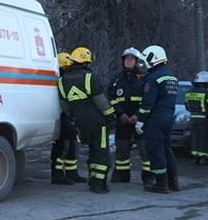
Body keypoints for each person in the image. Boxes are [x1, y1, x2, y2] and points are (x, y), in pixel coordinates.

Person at [57, 46, 116, 194]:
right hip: (97, 119)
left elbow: (64, 105)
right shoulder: (90, 76)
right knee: (101, 152)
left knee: (92, 150)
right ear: (86, 62)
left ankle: (92, 180)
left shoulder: (62, 80)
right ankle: (99, 184)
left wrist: (74, 115)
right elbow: (101, 100)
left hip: (80, 120)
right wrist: (110, 116)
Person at [136, 45, 179, 194]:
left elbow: (147, 102)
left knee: (155, 150)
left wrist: (140, 120)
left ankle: (161, 184)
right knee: (167, 150)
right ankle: (173, 182)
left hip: (155, 118)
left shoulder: (153, 78)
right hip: (168, 117)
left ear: (153, 58)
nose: (142, 64)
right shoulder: (171, 77)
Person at [106, 47, 150, 184]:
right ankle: (121, 175)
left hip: (140, 120)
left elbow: (147, 99)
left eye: (131, 58)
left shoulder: (145, 78)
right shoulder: (117, 78)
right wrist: (120, 114)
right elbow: (111, 97)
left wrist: (137, 115)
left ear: (137, 62)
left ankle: (148, 177)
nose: (128, 60)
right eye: (126, 58)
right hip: (122, 120)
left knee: (144, 149)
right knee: (121, 149)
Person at [50, 53, 84, 185]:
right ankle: (57, 174)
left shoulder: (64, 80)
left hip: (66, 115)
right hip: (61, 115)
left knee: (72, 145)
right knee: (62, 145)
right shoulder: (59, 80)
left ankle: (71, 172)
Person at [185, 71, 208, 165]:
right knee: (205, 137)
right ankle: (203, 158)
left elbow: (187, 107)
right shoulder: (207, 93)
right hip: (205, 119)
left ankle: (195, 157)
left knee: (195, 137)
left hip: (192, 118)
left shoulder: (188, 92)